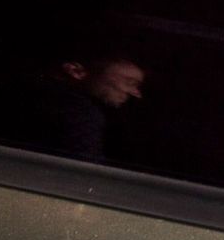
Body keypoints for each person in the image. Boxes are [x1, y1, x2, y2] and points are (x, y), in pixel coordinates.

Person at [12, 52, 146, 162]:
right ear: (76, 71)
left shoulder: (21, 94)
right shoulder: (80, 114)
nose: (136, 93)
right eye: (129, 82)